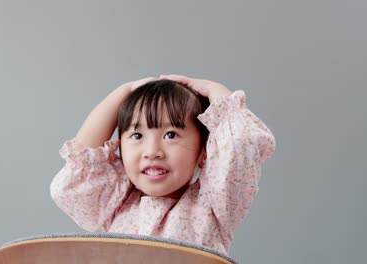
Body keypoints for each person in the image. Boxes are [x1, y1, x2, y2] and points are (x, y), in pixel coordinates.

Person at [50, 75, 276, 255]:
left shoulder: (213, 206)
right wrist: (123, 92)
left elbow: (240, 143)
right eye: (137, 136)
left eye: (170, 134)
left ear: (204, 152)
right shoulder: (114, 204)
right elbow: (74, 172)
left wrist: (213, 89)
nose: (152, 152)